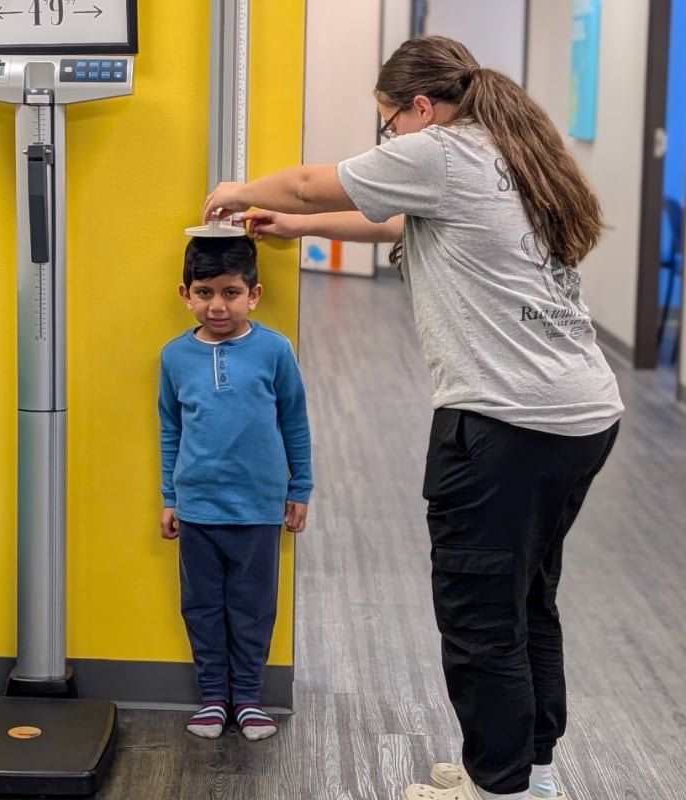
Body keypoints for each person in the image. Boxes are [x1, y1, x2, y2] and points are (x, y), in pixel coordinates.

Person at [204, 34, 622, 800]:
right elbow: (410, 225)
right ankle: (528, 770)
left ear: (420, 107)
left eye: (389, 121)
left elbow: (304, 180)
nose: (388, 136)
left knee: (479, 611)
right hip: (581, 415)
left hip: (508, 422)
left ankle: (497, 786)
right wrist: (304, 230)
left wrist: (236, 188)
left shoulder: (440, 151)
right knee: (526, 597)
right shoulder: (505, 148)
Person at [158, 233, 313, 741]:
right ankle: (212, 699)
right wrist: (170, 497)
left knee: (252, 606)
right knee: (201, 606)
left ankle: (248, 698)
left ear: (254, 294)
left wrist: (300, 487)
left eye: (230, 292)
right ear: (185, 294)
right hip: (198, 507)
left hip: (258, 509)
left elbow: (294, 420)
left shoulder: (274, 350)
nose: (217, 305)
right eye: (204, 292)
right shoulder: (173, 357)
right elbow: (170, 430)